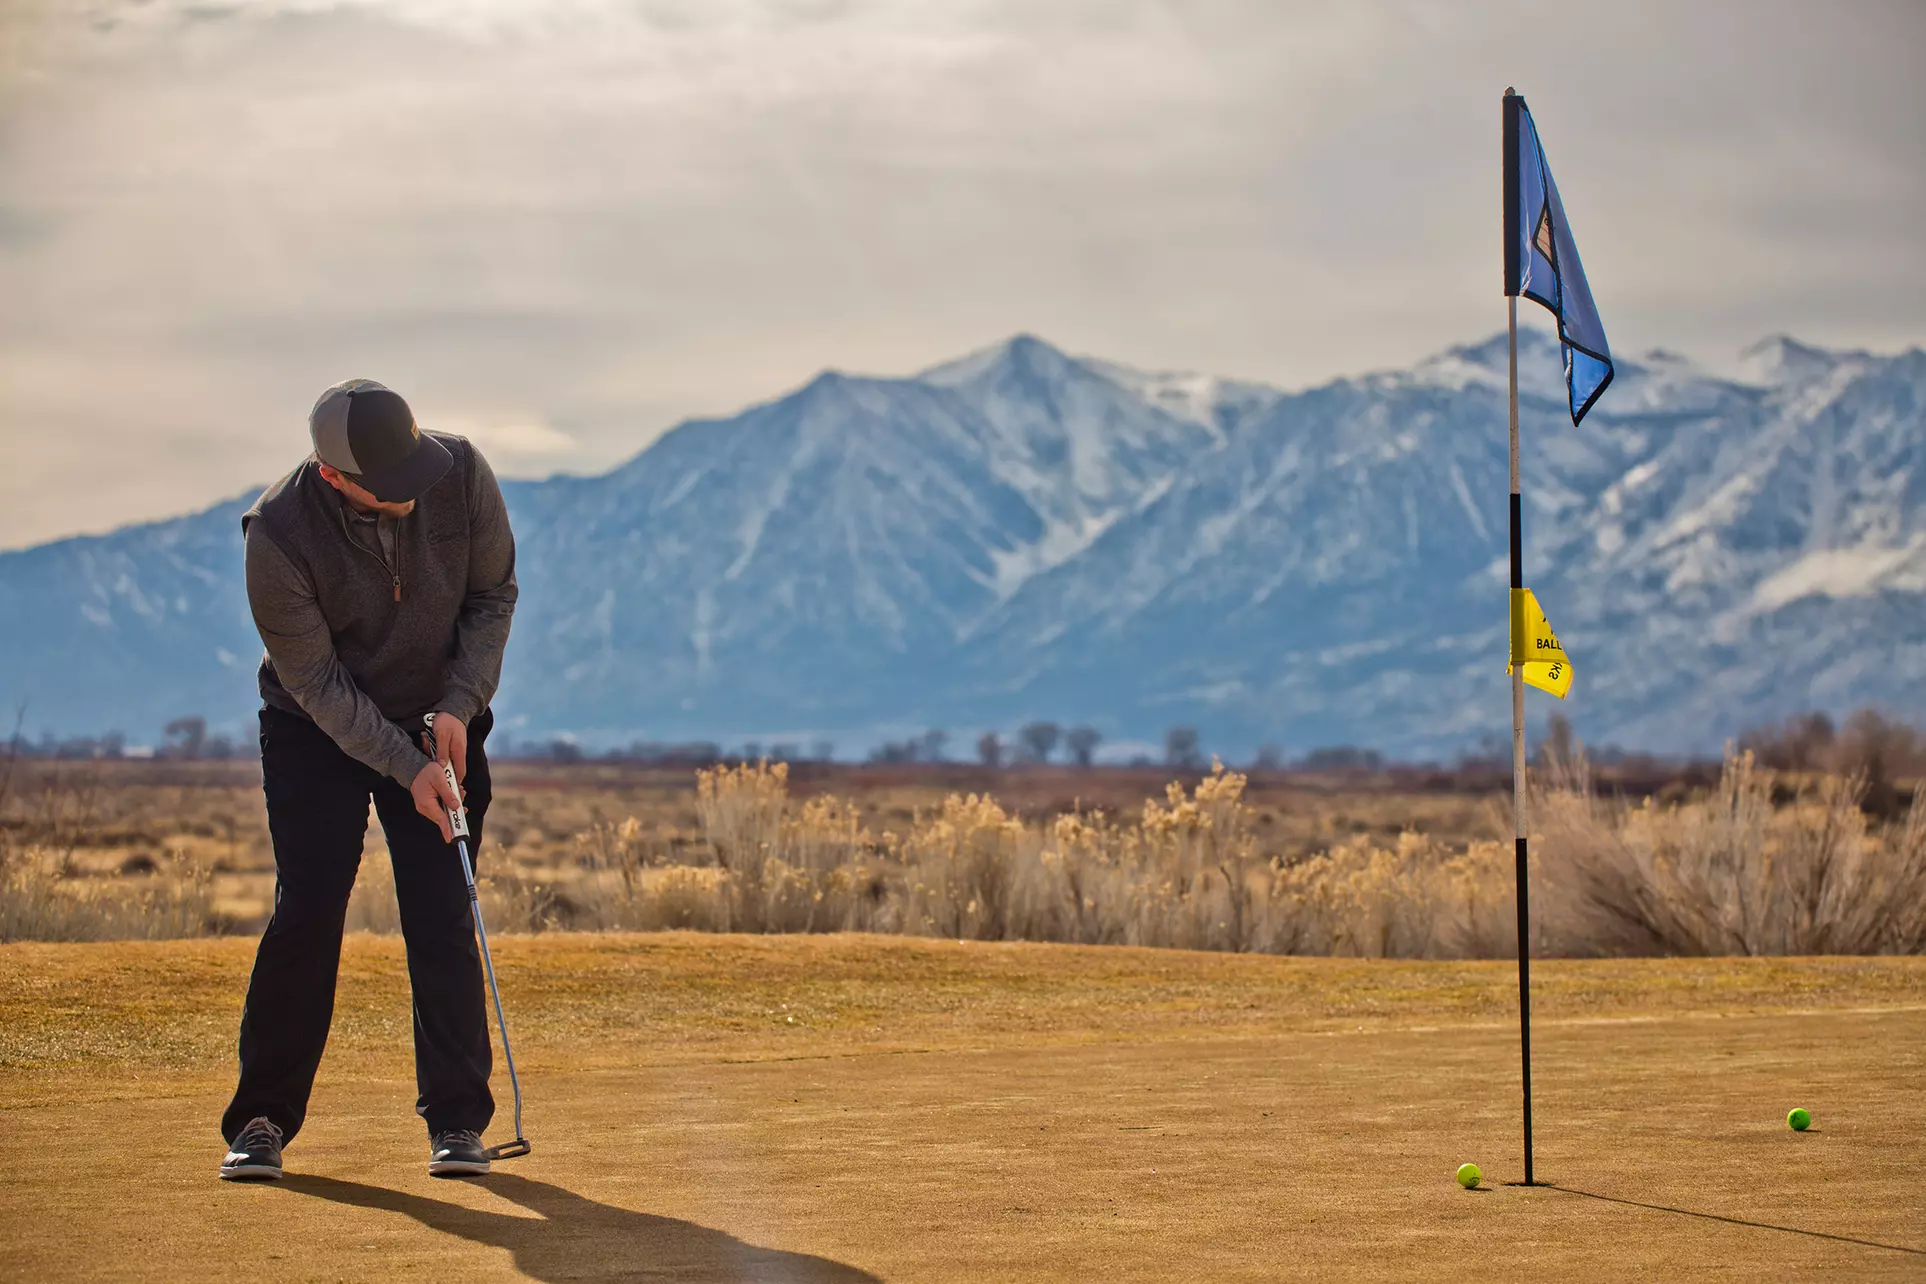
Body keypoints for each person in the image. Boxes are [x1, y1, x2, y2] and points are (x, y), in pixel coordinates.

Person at [219, 378, 517, 1182]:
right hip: (317, 732)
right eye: (388, 488)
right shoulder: (276, 538)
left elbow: (492, 597)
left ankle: (458, 1124)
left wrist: (459, 706)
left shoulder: (459, 473)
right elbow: (316, 685)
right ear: (334, 475)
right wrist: (404, 766)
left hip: (439, 721)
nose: (411, 498)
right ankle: (260, 1119)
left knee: (442, 910)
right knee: (310, 909)